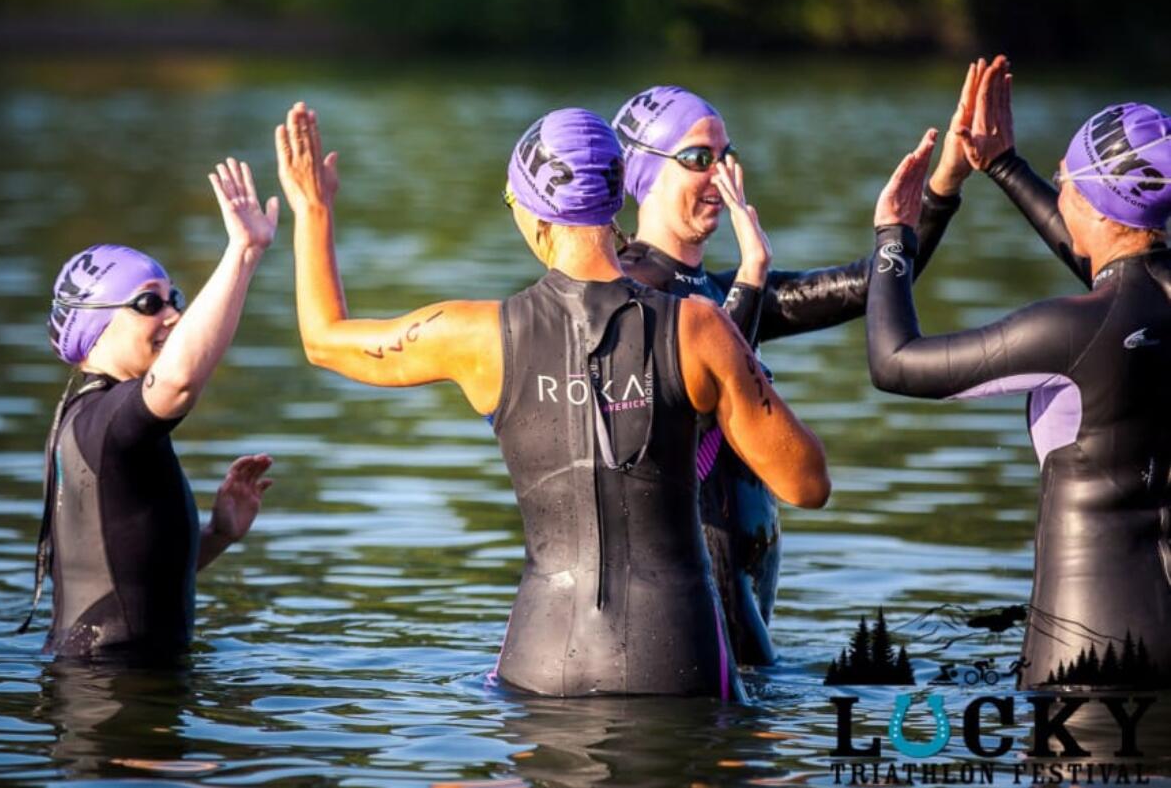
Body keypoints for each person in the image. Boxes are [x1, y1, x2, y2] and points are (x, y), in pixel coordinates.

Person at [276, 101, 829, 698]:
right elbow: (808, 484)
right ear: (619, 203)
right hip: (680, 657)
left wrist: (312, 210)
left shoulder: (476, 336)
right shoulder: (699, 330)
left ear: (535, 216)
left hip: (542, 662)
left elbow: (323, 341)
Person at [609, 74, 981, 664]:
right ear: (645, 173)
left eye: (727, 155)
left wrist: (941, 190)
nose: (722, 175)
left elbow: (870, 286)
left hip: (743, 585)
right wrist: (753, 275)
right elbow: (695, 392)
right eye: (698, 158)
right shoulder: (629, 293)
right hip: (697, 587)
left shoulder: (715, 290)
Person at [866, 58, 1171, 687]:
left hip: (1088, 647)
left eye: (1063, 178)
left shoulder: (1068, 329)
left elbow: (894, 363)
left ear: (1088, 198)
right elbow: (1116, 271)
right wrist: (1003, 164)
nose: (1059, 190)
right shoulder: (1144, 301)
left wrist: (893, 237)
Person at [23, 158, 278, 660]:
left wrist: (218, 535)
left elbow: (124, 570)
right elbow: (180, 382)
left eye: (173, 299)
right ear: (93, 325)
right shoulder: (104, 422)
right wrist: (243, 252)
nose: (174, 315)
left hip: (108, 681)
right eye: (149, 304)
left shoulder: (91, 422)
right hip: (111, 697)